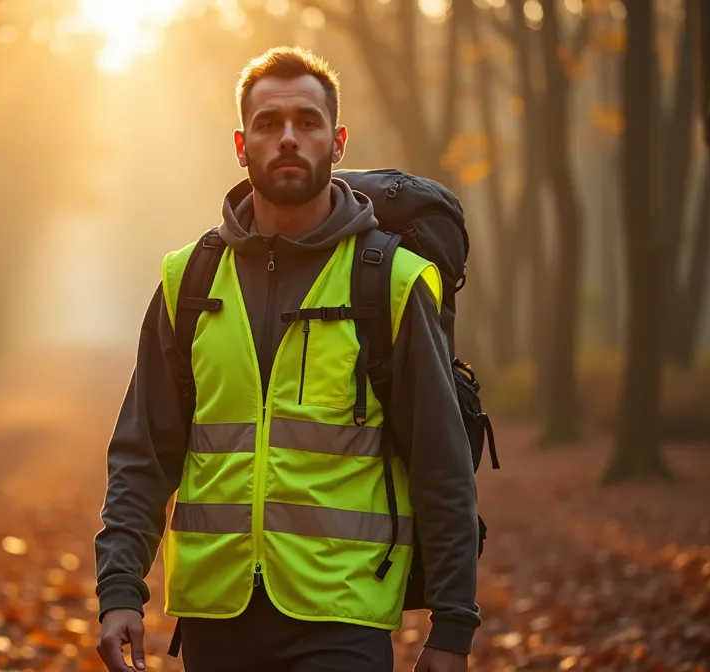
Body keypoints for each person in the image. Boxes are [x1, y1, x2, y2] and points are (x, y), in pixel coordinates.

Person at [93, 46, 482, 672]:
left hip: (342, 618)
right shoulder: (187, 280)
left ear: (339, 140)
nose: (289, 138)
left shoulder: (393, 284)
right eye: (269, 125)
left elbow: (442, 463)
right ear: (242, 145)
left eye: (308, 121)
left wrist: (454, 624)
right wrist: (119, 589)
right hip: (216, 617)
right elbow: (144, 452)